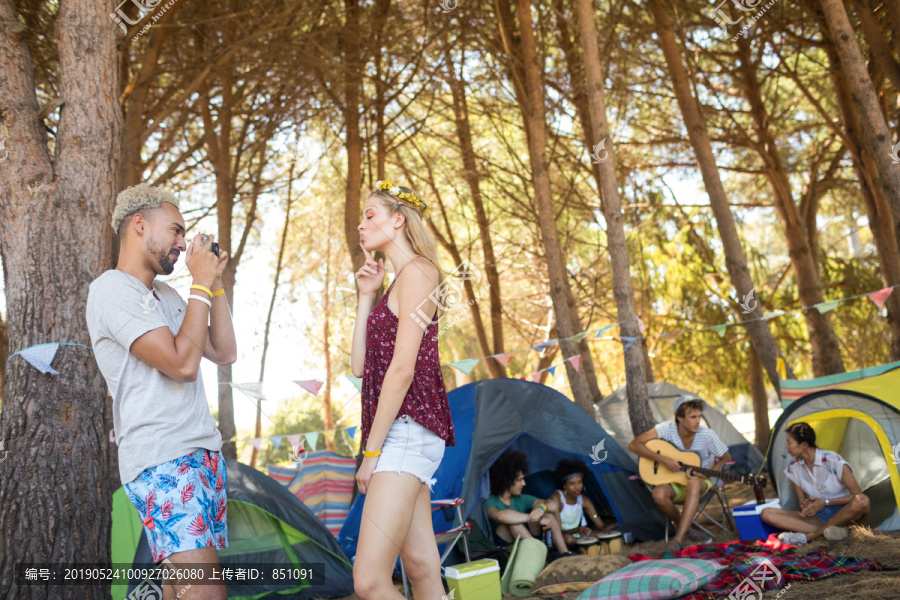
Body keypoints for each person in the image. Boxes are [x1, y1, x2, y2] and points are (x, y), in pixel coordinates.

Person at [86, 183, 236, 600]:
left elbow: (224, 351)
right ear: (139, 225)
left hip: (200, 457)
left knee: (180, 591)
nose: (182, 243)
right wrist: (200, 287)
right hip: (163, 459)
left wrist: (215, 284)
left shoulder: (168, 295)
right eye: (175, 230)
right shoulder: (112, 290)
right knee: (206, 592)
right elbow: (183, 364)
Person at [350, 179, 455, 600]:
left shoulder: (418, 272)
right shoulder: (396, 283)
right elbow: (360, 366)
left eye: (369, 215)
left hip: (405, 431)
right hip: (405, 432)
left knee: (370, 581)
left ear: (398, 220)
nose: (361, 225)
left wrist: (370, 455)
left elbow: (401, 372)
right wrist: (365, 297)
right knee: (423, 570)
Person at [629, 396, 731, 551]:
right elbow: (634, 444)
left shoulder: (707, 435)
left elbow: (726, 459)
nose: (697, 421)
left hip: (701, 483)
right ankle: (690, 530)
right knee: (658, 494)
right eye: (692, 417)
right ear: (679, 418)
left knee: (693, 482)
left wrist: (710, 473)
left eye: (699, 416)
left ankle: (678, 538)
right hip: (674, 483)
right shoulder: (666, 429)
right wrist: (662, 459)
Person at [761, 422, 870, 545]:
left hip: (846, 513)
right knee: (767, 513)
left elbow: (858, 495)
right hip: (820, 517)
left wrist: (826, 502)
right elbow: (802, 504)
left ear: (804, 444)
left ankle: (811, 536)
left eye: (789, 442)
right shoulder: (794, 467)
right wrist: (807, 507)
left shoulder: (834, 460)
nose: (786, 447)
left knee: (862, 501)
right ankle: (835, 532)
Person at [482, 450, 569, 555]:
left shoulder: (520, 498)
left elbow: (553, 505)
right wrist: (533, 518)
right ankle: (541, 557)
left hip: (526, 539)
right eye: (520, 480)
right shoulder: (490, 500)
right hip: (505, 546)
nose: (524, 483)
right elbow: (501, 516)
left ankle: (565, 554)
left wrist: (541, 509)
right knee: (513, 523)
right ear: (507, 481)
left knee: (548, 514)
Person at [550, 459, 616, 548]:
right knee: (568, 539)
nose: (577, 487)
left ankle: (584, 542)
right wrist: (577, 529)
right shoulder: (557, 498)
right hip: (560, 538)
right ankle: (585, 543)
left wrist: (605, 529)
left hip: (578, 537)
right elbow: (558, 532)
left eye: (579, 482)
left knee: (602, 533)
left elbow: (597, 520)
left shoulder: (584, 500)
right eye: (572, 484)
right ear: (564, 486)